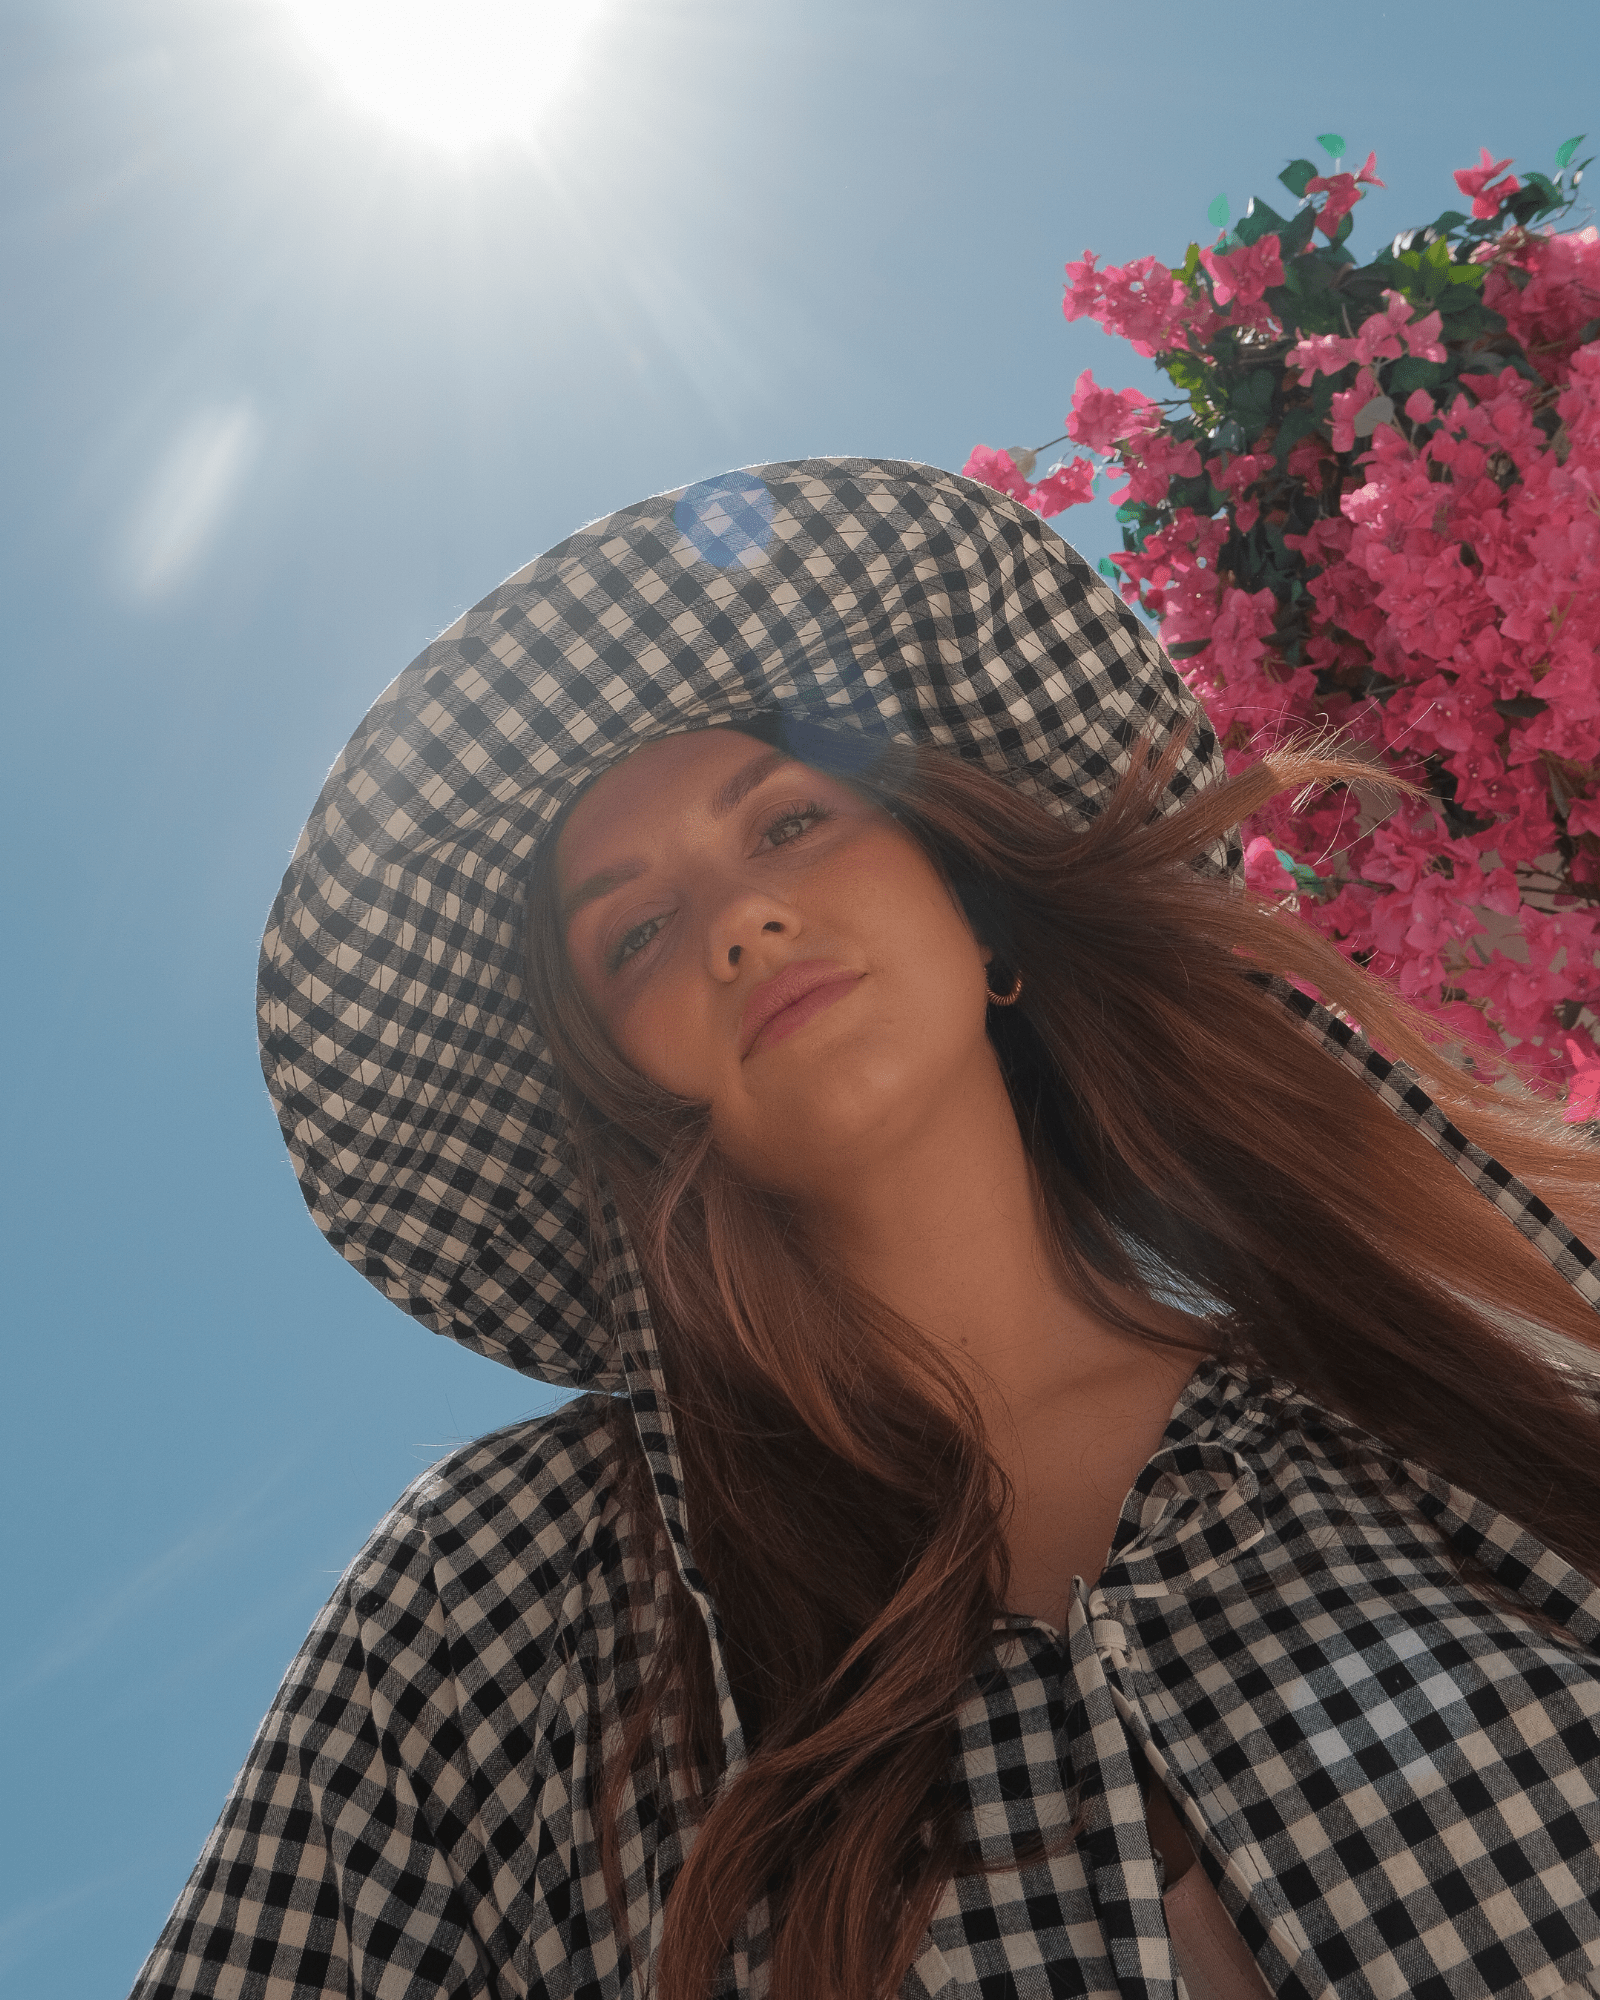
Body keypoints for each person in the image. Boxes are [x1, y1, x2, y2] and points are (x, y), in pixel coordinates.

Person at [130, 459, 1600, 2000]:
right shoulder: (495, 1602)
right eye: (634, 934)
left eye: (789, 824)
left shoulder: (1446, 1367)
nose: (738, 922)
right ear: (632, 1098)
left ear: (975, 908)